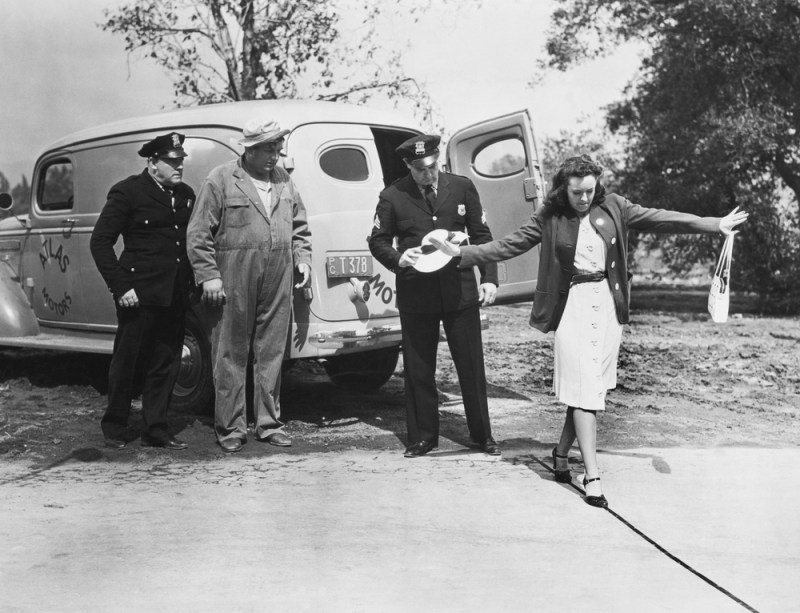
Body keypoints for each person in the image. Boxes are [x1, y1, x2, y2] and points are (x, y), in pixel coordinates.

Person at [431, 154, 748, 505]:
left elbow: (659, 219)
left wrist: (713, 224)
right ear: (563, 188)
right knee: (584, 390)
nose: (584, 198)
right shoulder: (550, 216)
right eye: (577, 192)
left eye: (589, 191)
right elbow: (510, 244)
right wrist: (461, 255)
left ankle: (561, 455)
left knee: (590, 392)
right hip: (572, 307)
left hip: (608, 306)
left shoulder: (614, 206)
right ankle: (592, 475)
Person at [368, 134, 501, 458]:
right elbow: (378, 240)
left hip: (460, 291)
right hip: (417, 293)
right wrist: (398, 259)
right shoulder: (392, 196)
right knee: (418, 368)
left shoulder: (462, 187)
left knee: (470, 366)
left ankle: (483, 435)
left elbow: (482, 236)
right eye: (419, 169)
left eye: (432, 166)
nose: (428, 174)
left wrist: (489, 279)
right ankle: (423, 437)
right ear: (408, 166)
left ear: (438, 159)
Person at [187, 119, 312, 454]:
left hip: (278, 274)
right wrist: (208, 275)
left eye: (278, 147)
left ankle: (269, 424)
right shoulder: (221, 179)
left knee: (271, 351)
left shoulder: (284, 180)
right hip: (233, 274)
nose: (277, 154)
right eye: (270, 148)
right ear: (250, 149)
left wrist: (302, 259)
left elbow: (300, 227)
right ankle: (230, 426)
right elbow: (198, 234)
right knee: (229, 351)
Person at [90, 132, 196, 450]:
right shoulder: (128, 192)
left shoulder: (187, 194)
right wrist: (121, 287)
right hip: (139, 295)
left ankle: (156, 429)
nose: (179, 166)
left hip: (175, 293)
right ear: (153, 162)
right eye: (173, 161)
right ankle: (115, 427)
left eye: (181, 161)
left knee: (166, 362)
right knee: (129, 362)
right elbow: (100, 243)